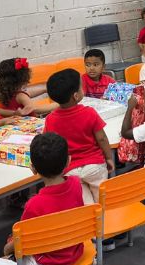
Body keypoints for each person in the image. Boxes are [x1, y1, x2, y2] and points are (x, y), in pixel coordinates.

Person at [0, 132, 85, 265]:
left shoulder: (35, 205)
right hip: (75, 250)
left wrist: (7, 247)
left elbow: (21, 242)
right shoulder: (76, 183)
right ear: (68, 161)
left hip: (51, 262)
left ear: (33, 168)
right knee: (44, 241)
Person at [44, 69, 114, 204]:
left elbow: (49, 144)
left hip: (70, 170)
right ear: (76, 96)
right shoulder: (89, 113)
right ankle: (105, 222)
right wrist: (109, 157)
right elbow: (102, 138)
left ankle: (91, 222)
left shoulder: (50, 119)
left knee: (85, 205)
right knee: (103, 201)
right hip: (94, 165)